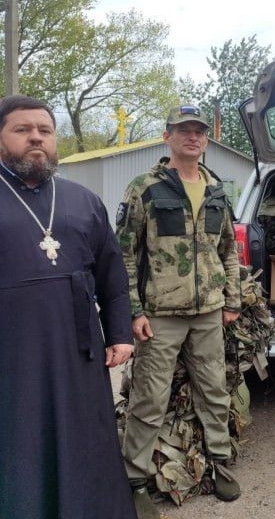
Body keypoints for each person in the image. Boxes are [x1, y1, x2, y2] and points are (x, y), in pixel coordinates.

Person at [0, 95, 135, 518]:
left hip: (78, 353)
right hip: (12, 353)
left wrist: (120, 333)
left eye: (44, 130)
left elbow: (113, 275)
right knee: (21, 443)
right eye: (22, 130)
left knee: (83, 440)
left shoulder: (83, 200)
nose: (36, 138)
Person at [116, 105, 242, 518]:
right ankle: (134, 480)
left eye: (199, 132)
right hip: (161, 314)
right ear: (167, 135)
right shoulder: (145, 188)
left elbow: (229, 252)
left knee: (214, 391)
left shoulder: (218, 190)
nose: (193, 137)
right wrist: (134, 311)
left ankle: (220, 462)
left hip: (208, 311)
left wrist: (233, 301)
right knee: (150, 398)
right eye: (184, 130)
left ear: (206, 140)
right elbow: (125, 256)